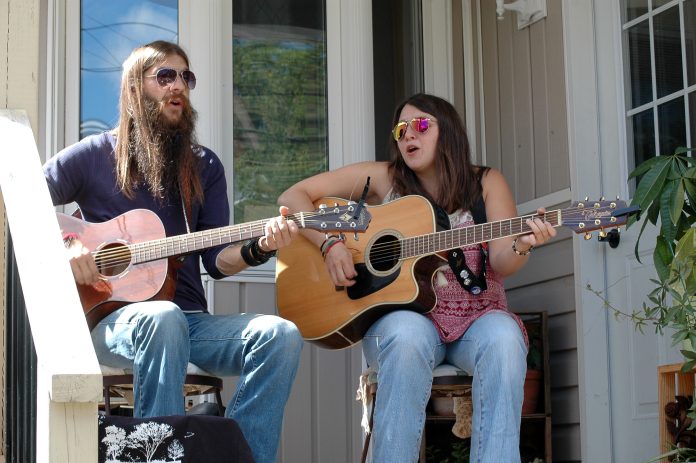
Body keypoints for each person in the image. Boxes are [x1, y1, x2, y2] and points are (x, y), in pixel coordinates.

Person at [44, 40, 303, 463]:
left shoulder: (204, 166)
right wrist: (70, 247)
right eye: (165, 76)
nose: (178, 86)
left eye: (186, 77)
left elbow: (218, 260)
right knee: (161, 319)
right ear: (133, 90)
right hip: (109, 319)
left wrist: (259, 248)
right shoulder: (94, 155)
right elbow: (21, 197)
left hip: (191, 321)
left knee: (280, 336)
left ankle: (241, 456)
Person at [278, 93, 557, 462]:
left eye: (422, 125)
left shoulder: (485, 183)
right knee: (408, 336)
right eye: (401, 130)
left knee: (505, 338)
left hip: (476, 321)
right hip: (408, 319)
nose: (409, 135)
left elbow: (503, 262)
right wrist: (330, 244)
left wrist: (522, 243)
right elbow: (294, 195)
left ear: (449, 132)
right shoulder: (384, 177)